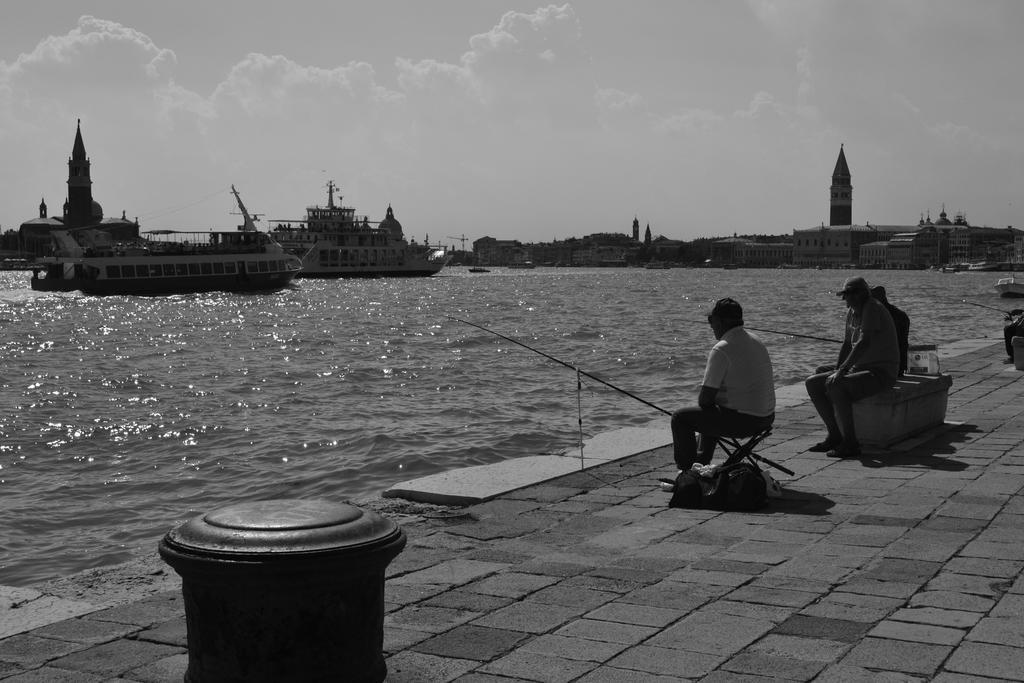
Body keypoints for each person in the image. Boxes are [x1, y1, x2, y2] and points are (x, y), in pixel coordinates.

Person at [671, 297, 775, 471]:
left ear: (720, 321)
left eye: (711, 320)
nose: (710, 325)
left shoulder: (722, 348)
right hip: (766, 418)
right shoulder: (756, 340)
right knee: (714, 409)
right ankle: (701, 459)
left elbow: (704, 400)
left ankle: (687, 472)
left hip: (745, 422)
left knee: (680, 418)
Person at [805, 276, 899, 458]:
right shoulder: (852, 312)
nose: (846, 299)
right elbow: (847, 344)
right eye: (845, 295)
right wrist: (837, 369)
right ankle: (834, 435)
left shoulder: (871, 307)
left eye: (849, 295)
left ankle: (850, 443)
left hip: (880, 372)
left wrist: (842, 371)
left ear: (861, 295)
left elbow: (864, 343)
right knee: (813, 382)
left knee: (836, 385)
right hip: (860, 368)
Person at [871, 285, 910, 375]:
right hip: (901, 365)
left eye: (872, 297)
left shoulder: (880, 315)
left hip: (888, 367)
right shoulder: (901, 314)